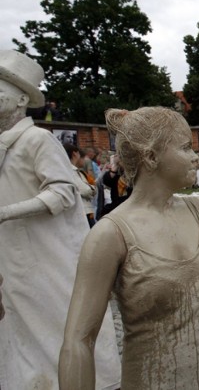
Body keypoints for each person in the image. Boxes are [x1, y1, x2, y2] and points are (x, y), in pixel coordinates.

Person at [59, 107, 199, 389]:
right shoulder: (110, 235)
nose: (196, 157)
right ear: (151, 156)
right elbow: (79, 340)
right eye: (185, 148)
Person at [0, 50, 121, 389]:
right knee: (23, 328)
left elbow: (63, 192)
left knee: (59, 319)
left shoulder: (36, 139)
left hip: (47, 255)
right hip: (15, 258)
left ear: (22, 98)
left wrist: (7, 213)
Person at [64, 143, 98, 227]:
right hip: (83, 211)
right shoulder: (72, 171)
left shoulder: (65, 170)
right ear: (75, 154)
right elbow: (86, 191)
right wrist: (93, 188)